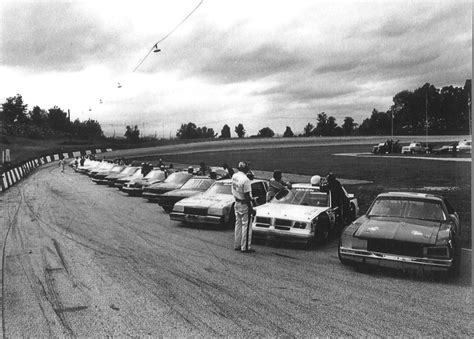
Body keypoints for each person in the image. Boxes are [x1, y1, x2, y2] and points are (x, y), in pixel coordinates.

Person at [231, 161, 256, 253]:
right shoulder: (245, 180)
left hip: (236, 201)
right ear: (245, 169)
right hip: (244, 204)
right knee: (246, 226)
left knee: (238, 225)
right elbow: (247, 196)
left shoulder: (235, 176)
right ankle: (245, 247)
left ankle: (237, 244)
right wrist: (251, 208)